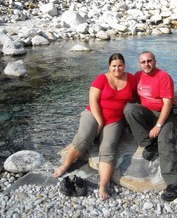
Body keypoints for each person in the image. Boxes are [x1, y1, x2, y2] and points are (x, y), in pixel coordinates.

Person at [54, 53, 137, 200]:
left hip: (115, 120)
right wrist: (99, 123)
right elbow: (93, 101)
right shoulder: (101, 79)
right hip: (94, 114)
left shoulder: (130, 79)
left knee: (108, 149)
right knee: (85, 137)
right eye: (114, 66)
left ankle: (103, 185)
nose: (117, 69)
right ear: (109, 67)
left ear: (124, 65)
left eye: (120, 65)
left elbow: (137, 96)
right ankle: (65, 165)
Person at [124, 51, 177, 202]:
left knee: (165, 141)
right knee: (129, 109)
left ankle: (174, 183)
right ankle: (149, 143)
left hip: (164, 113)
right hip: (148, 112)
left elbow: (168, 103)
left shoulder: (163, 77)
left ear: (155, 61)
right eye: (143, 62)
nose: (146, 64)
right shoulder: (138, 76)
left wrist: (158, 125)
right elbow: (132, 97)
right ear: (139, 64)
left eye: (149, 61)